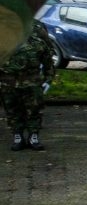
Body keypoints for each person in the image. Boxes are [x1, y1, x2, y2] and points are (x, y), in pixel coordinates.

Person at [1, 22, 55, 151]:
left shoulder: (37, 43)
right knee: (13, 111)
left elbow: (48, 62)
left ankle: (33, 136)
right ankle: (17, 136)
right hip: (9, 83)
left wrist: (48, 80)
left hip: (32, 82)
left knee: (34, 110)